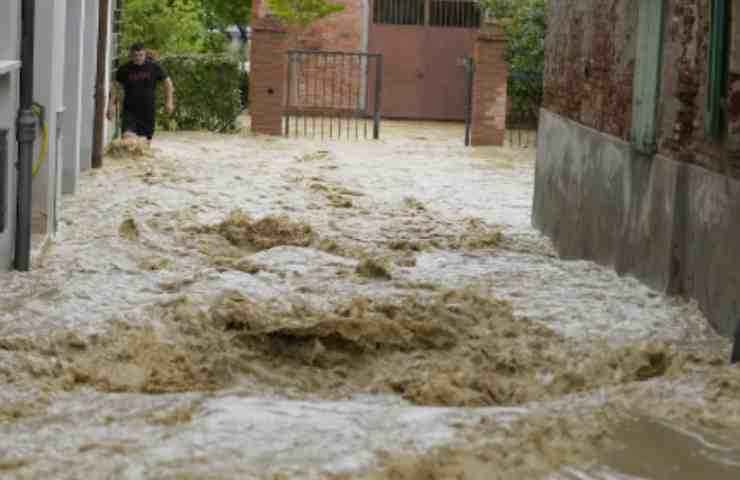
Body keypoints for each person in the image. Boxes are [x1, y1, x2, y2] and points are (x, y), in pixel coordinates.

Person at [107, 42, 175, 143]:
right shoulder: (124, 69)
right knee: (128, 141)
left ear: (145, 54)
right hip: (129, 111)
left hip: (147, 111)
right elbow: (116, 87)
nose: (138, 58)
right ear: (130, 55)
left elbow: (168, 83)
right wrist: (111, 105)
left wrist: (169, 102)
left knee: (144, 144)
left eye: (141, 55)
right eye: (135, 55)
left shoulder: (154, 67)